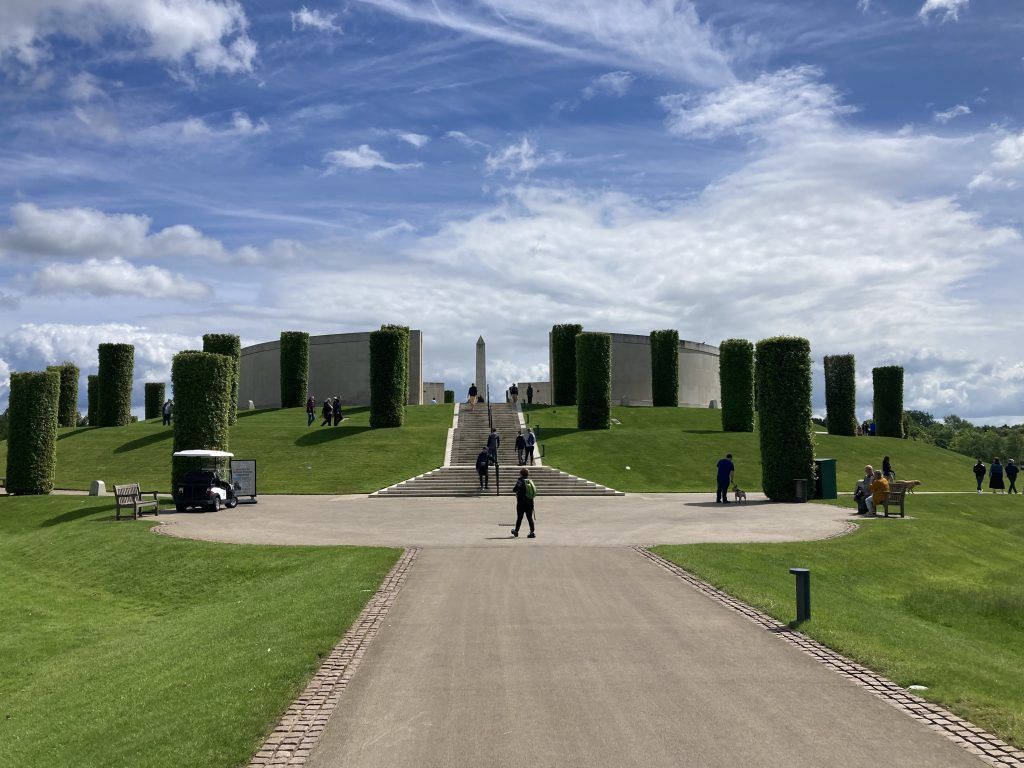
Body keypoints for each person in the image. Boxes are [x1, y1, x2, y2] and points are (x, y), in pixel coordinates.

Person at [511, 468, 536, 538]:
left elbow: (514, 489)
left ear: (521, 474)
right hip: (530, 502)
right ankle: (532, 532)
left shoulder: (520, 481)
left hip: (521, 502)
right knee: (529, 517)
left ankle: (516, 531)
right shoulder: (529, 481)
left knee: (519, 517)